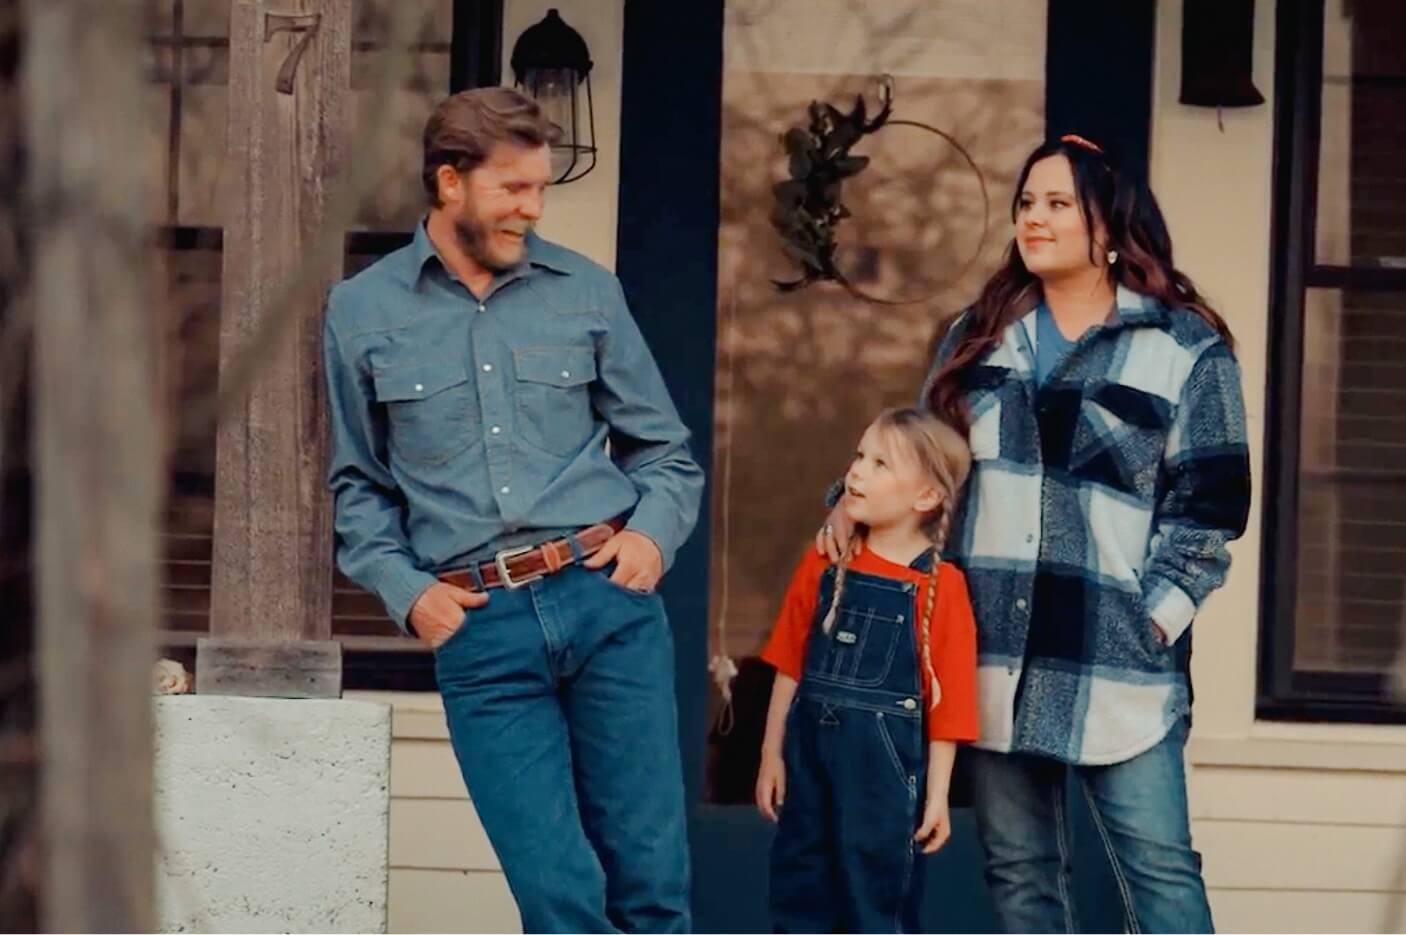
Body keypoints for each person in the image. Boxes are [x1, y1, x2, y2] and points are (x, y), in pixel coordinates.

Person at [820, 135, 1251, 933]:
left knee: (1159, 875)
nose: (1033, 219)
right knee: (1019, 877)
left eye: (1057, 204)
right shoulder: (975, 335)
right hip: (987, 653)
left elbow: (1211, 504)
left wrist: (1151, 617)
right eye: (1025, 203)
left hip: (1118, 666)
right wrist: (850, 502)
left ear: (1109, 227)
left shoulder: (1184, 348)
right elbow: (927, 463)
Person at [322, 87, 703, 934]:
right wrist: (408, 592)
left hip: (607, 606)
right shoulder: (362, 311)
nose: (532, 208)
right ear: (450, 182)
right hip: (480, 630)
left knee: (649, 882)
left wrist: (648, 538)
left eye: (540, 189)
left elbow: (665, 453)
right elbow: (357, 484)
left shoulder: (587, 292)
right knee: (556, 894)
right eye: (513, 189)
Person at [758, 408, 980, 933]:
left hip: (885, 778)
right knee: (801, 894)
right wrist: (770, 752)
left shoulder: (941, 587)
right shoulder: (823, 563)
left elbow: (949, 704)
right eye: (860, 456)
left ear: (925, 496)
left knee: (875, 901)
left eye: (880, 464)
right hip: (808, 764)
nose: (856, 472)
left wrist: (939, 795)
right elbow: (789, 663)